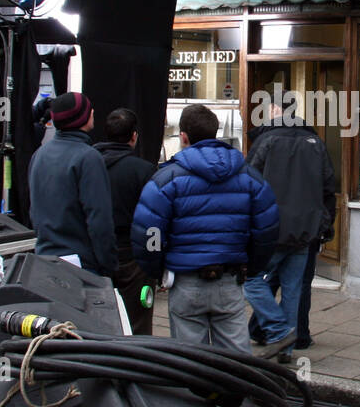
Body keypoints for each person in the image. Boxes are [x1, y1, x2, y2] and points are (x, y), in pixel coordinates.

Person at [132, 103, 279, 356]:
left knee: (191, 362)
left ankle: (197, 394)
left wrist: (158, 270)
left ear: (183, 136)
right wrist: (251, 267)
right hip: (229, 281)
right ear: (215, 133)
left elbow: (150, 232)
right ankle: (233, 394)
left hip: (186, 281)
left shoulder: (167, 179)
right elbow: (266, 230)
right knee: (236, 361)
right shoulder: (249, 177)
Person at [243, 106, 337, 360]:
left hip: (270, 229)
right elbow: (329, 187)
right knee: (293, 288)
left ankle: (279, 331)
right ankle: (285, 347)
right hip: (305, 230)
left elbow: (247, 183)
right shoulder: (315, 142)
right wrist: (325, 224)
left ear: (277, 112)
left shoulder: (266, 141)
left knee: (249, 281)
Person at [27, 92, 117, 278]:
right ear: (82, 117)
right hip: (80, 265)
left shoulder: (39, 154)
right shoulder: (88, 157)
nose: (93, 112)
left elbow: (34, 210)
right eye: (89, 110)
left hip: (45, 259)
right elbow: (99, 219)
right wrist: (109, 265)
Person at [94, 108, 157, 334]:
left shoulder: (89, 165)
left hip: (95, 252)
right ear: (134, 136)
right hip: (133, 257)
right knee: (137, 321)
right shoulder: (144, 170)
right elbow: (154, 218)